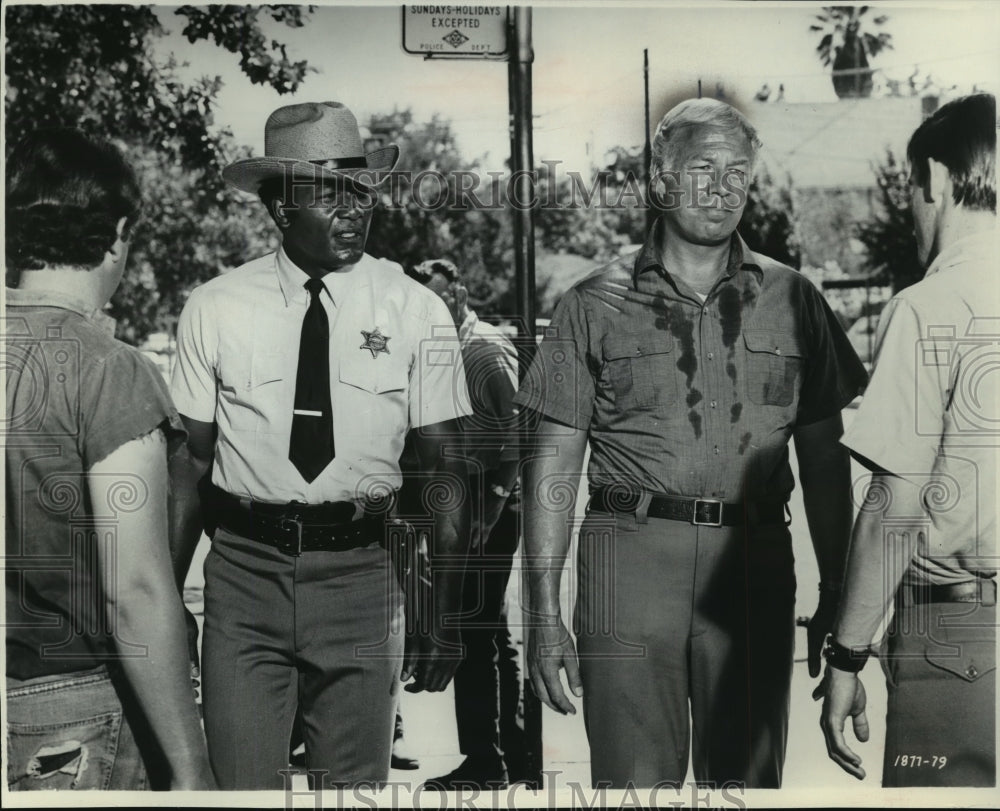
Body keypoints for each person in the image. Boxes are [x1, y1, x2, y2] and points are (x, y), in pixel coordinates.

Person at [515, 98, 868, 788]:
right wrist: (542, 611)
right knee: (633, 786)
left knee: (744, 783)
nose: (725, 186)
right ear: (662, 177)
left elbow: (826, 462)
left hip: (753, 565)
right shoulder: (592, 303)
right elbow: (554, 464)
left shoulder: (796, 299)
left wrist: (836, 590)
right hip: (629, 560)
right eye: (704, 167)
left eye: (740, 170)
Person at [168, 101, 471, 789]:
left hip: (367, 573)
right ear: (279, 207)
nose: (353, 211)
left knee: (354, 793)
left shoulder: (415, 308)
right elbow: (189, 464)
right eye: (327, 195)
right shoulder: (216, 307)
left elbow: (447, 467)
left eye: (359, 191)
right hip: (245, 577)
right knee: (241, 786)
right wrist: (164, 605)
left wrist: (447, 608)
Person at [4, 128, 215, 791]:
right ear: (119, 233)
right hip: (68, 705)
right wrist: (190, 765)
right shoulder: (109, 371)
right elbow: (137, 589)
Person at [820, 92, 997, 788]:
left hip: (960, 638)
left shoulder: (929, 305)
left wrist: (846, 655)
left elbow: (895, 502)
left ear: (936, 178)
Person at [406, 259, 528, 789]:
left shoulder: (483, 349)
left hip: (487, 501)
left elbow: (521, 436)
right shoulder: (435, 347)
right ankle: (508, 755)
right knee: (490, 632)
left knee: (477, 633)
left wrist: (493, 505)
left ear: (457, 293)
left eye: (437, 296)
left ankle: (487, 760)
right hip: (459, 496)